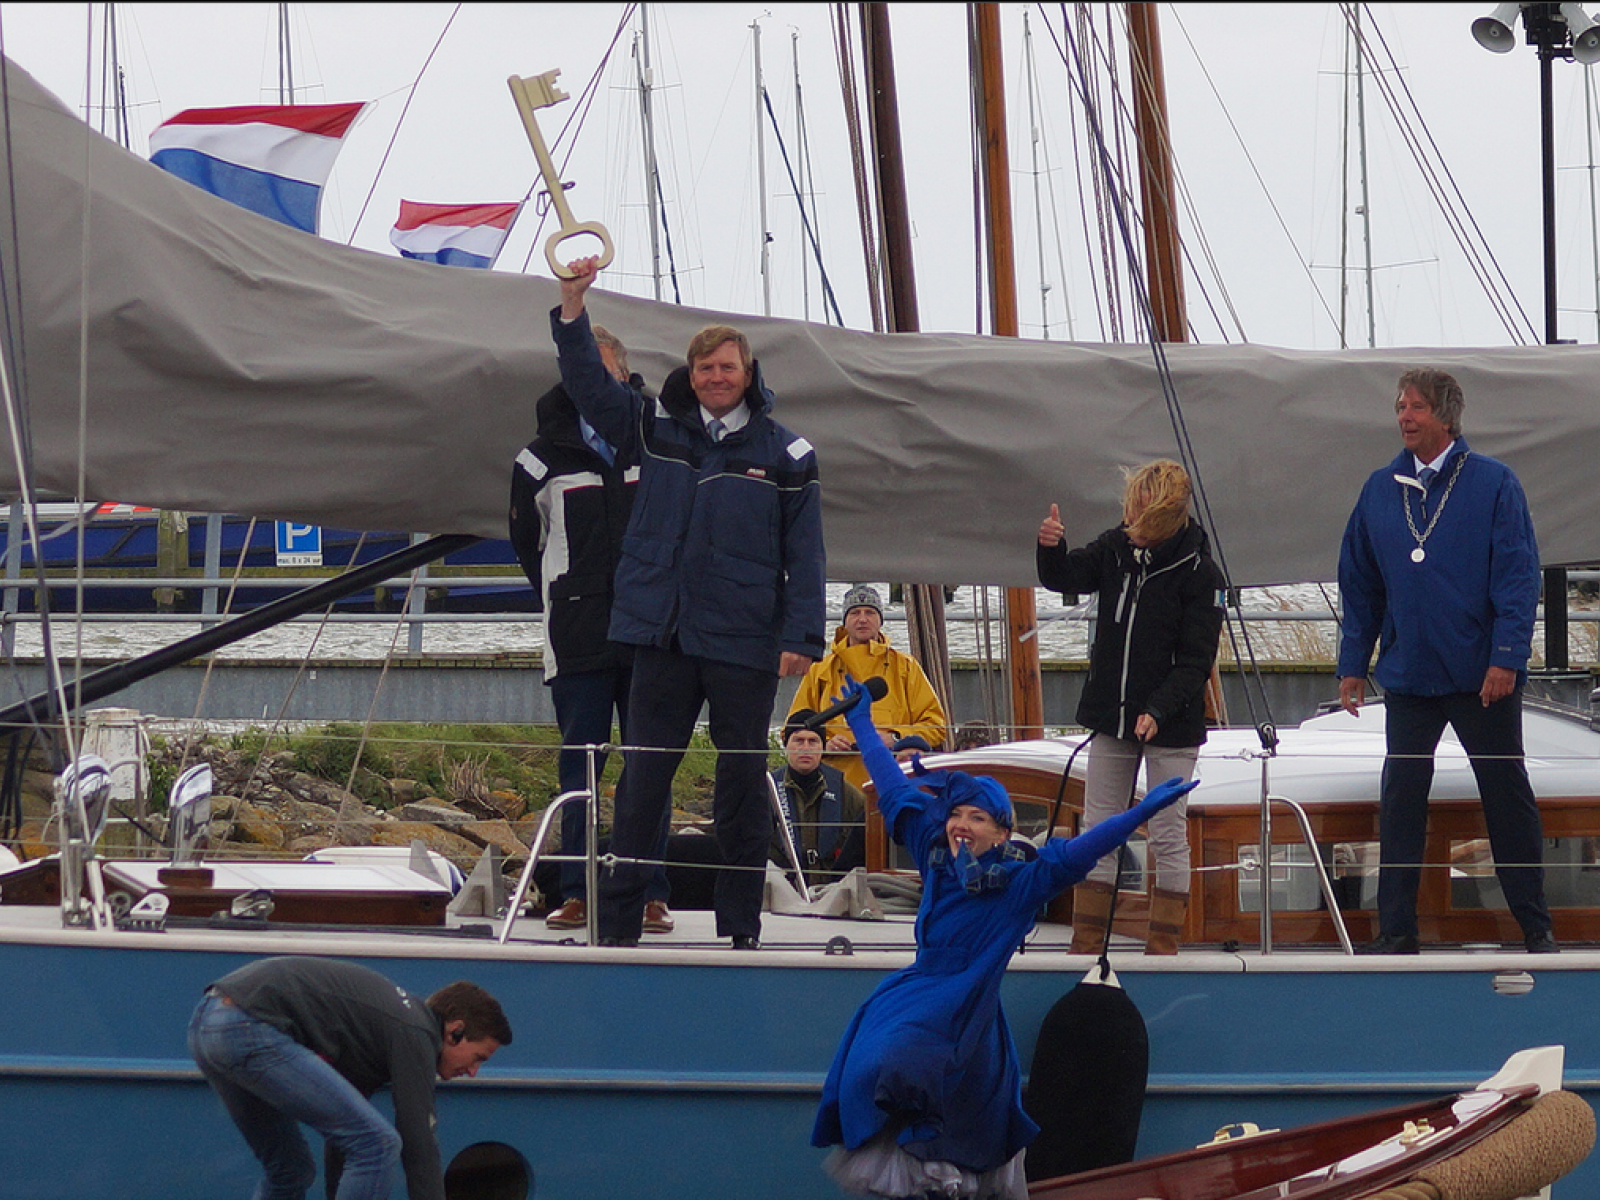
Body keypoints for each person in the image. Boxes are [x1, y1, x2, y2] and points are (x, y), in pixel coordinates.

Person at [811, 678, 1196, 1198]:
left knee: (935, 1094)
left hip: (969, 1006)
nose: (961, 824)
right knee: (884, 1065)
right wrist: (861, 720)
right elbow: (894, 788)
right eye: (956, 814)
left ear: (1000, 832)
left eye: (977, 817)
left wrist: (1140, 813)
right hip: (917, 994)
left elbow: (1080, 852)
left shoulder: (1018, 883)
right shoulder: (936, 855)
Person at [552, 254, 826, 949]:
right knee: (642, 782)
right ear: (691, 374)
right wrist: (572, 309)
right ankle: (617, 927)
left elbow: (807, 553)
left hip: (743, 641)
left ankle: (741, 930)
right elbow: (588, 385)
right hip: (661, 637)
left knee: (741, 786)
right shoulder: (652, 427)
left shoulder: (788, 454)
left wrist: (802, 636)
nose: (715, 378)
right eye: (705, 368)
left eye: (727, 367)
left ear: (748, 373)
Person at [1337, 367, 1556, 955]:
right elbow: (1360, 583)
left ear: (1446, 417)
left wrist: (1506, 656)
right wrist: (1353, 663)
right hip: (1410, 673)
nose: (1404, 417)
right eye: (1400, 407)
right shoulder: (1380, 489)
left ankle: (1536, 926)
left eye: (1416, 407)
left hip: (1481, 674)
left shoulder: (1494, 483)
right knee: (1401, 798)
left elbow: (1518, 576)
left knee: (1505, 792)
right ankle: (1396, 931)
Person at [508, 325, 673, 934]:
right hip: (578, 635)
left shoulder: (659, 442)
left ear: (624, 378)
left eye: (604, 373)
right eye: (583, 373)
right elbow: (529, 545)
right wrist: (567, 595)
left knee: (648, 767)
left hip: (650, 633)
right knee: (580, 768)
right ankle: (577, 891)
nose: (592, 385)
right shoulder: (537, 459)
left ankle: (648, 892)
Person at [1036, 459, 1224, 955]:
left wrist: (1158, 709)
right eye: (1130, 514)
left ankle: (1162, 944)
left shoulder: (1201, 575)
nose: (1131, 525)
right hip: (1112, 715)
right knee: (1099, 829)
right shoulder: (1115, 549)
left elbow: (1196, 660)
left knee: (1167, 832)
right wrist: (1051, 548)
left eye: (1142, 518)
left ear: (1165, 519)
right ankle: (1086, 940)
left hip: (1173, 723)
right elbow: (1067, 576)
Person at [187, 955, 513, 1200]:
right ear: (456, 1031)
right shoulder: (417, 1031)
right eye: (478, 1058)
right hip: (248, 1026)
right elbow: (419, 1144)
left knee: (292, 1170)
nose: (473, 1072)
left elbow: (342, 1141)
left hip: (209, 1023)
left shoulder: (381, 1032)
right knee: (379, 1144)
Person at [788, 584, 948, 791]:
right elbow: (793, 728)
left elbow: (936, 727)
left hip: (894, 779)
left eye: (870, 612)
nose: (862, 619)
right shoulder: (820, 670)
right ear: (844, 621)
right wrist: (824, 744)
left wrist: (896, 737)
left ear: (880, 620)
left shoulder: (906, 667)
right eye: (855, 612)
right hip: (835, 784)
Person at [772, 708, 868, 888]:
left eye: (813, 741)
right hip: (781, 889)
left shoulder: (846, 794)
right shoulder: (768, 790)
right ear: (786, 745)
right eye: (798, 740)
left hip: (832, 890)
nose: (805, 748)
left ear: (823, 747)